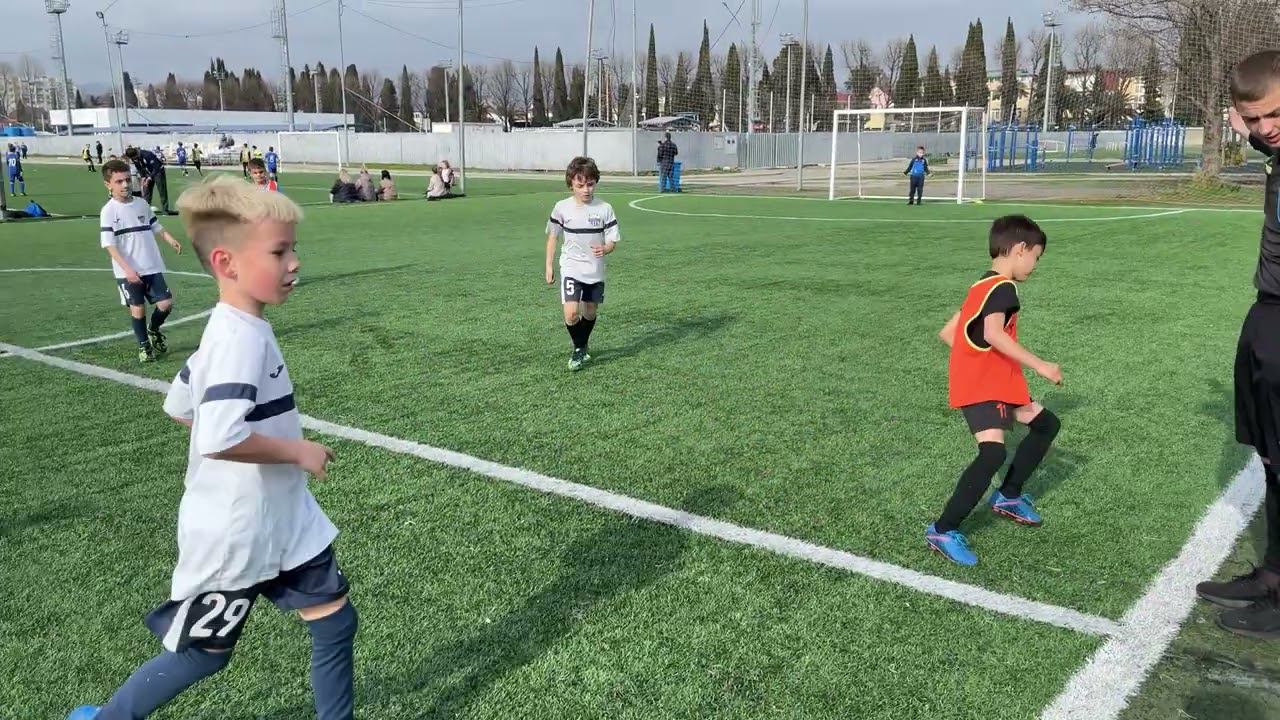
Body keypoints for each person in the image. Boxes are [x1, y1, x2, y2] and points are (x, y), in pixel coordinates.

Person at [66, 176, 357, 720]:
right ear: (227, 263)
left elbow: (181, 405)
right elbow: (219, 435)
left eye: (293, 248)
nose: (294, 262)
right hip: (236, 533)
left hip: (283, 519)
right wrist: (296, 452)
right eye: (279, 251)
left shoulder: (237, 329)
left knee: (335, 621)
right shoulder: (237, 340)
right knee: (203, 653)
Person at [1198, 50, 1280, 639]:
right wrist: (1247, 129)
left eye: (1275, 114)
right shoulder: (1273, 148)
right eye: (1253, 119)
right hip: (1267, 313)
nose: (1265, 128)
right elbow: (1260, 136)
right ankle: (1273, 576)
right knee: (1272, 458)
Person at [927, 215, 1062, 566]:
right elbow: (992, 334)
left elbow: (949, 333)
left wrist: (978, 362)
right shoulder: (1004, 288)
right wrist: (1041, 365)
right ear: (1020, 249)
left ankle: (1008, 495)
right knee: (992, 454)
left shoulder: (981, 285)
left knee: (1047, 424)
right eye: (1036, 257)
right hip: (984, 385)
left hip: (996, 379)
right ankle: (943, 529)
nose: (1035, 265)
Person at [96, 159, 184, 364]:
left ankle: (154, 329)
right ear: (108, 184)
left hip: (150, 265)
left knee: (165, 304)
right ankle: (144, 346)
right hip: (127, 271)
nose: (125, 184)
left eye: (128, 180)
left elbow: (155, 225)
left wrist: (169, 239)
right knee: (138, 308)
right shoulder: (108, 211)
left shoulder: (142, 204)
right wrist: (127, 270)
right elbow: (109, 244)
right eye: (119, 181)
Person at [544, 156, 620, 371]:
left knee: (590, 311)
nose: (586, 190)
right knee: (570, 313)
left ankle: (581, 345)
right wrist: (549, 266)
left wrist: (606, 248)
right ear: (571, 184)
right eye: (580, 185)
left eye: (590, 184)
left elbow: (612, 240)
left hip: (595, 269)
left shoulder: (604, 208)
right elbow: (553, 237)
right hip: (571, 266)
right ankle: (579, 348)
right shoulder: (561, 208)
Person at [126, 146, 173, 215]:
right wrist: (143, 177)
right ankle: (145, 209)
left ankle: (165, 210)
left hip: (158, 172)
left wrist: (149, 178)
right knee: (147, 191)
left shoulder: (147, 154)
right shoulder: (134, 158)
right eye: (132, 158)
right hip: (148, 173)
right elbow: (139, 168)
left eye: (134, 158)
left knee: (162, 190)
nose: (134, 159)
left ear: (136, 154)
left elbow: (156, 167)